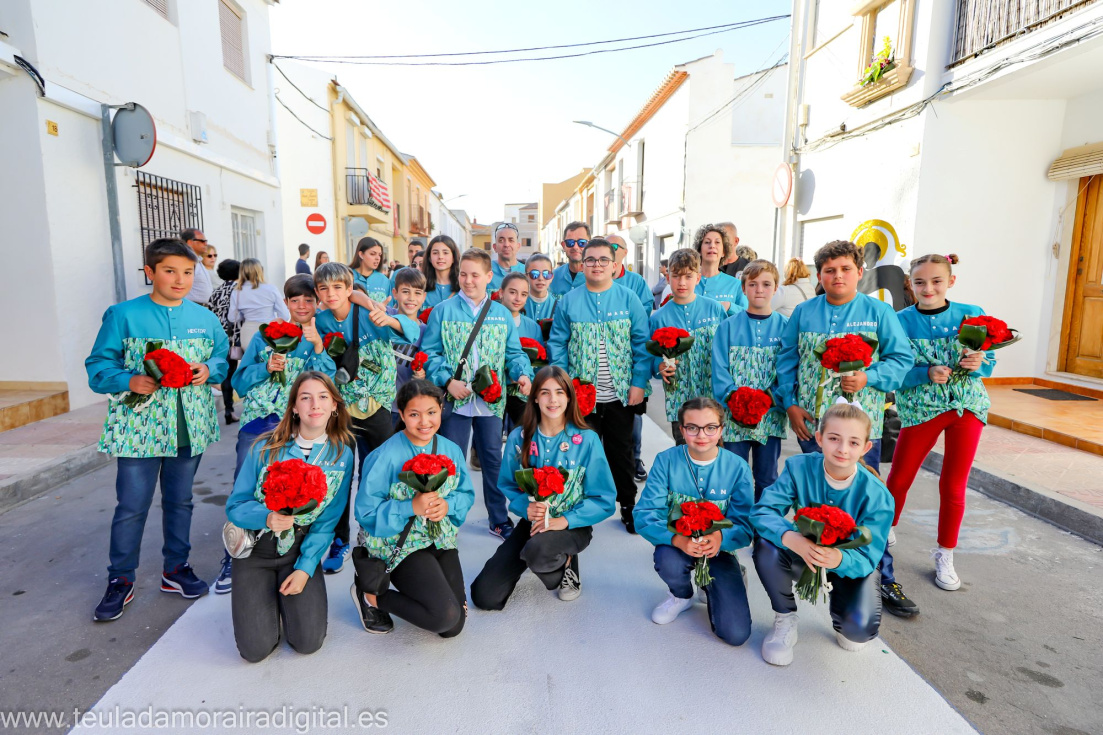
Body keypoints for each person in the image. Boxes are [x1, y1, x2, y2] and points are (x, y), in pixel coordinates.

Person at [86, 238, 228, 622]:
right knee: (132, 505)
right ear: (150, 272)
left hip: (189, 427)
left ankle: (175, 569)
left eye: (188, 272)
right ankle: (120, 578)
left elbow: (221, 358)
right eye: (170, 271)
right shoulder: (123, 315)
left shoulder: (205, 318)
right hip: (139, 430)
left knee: (180, 501)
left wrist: (209, 369)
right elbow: (98, 367)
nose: (180, 280)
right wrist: (128, 380)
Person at [776, 239, 914, 616]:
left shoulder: (878, 312)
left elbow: (901, 359)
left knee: (866, 502)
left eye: (845, 269)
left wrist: (869, 376)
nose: (838, 276)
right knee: (815, 499)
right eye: (829, 270)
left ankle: (882, 577)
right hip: (814, 427)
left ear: (859, 272)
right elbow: (786, 360)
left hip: (858, 433)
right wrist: (790, 404)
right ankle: (818, 569)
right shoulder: (804, 312)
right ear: (819, 276)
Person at [215, 275, 336, 594]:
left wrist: (318, 346)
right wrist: (265, 367)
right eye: (295, 300)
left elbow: (330, 382)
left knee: (297, 487)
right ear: (285, 303)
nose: (302, 306)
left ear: (317, 303)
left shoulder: (322, 336)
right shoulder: (265, 335)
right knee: (246, 484)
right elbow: (239, 383)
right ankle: (235, 550)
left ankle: (295, 553)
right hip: (259, 423)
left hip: (300, 426)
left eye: (308, 300)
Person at [882, 254, 993, 601]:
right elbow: (893, 370)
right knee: (900, 477)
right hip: (921, 409)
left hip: (966, 406)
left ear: (951, 282)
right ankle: (885, 528)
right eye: (919, 282)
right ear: (910, 284)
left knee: (954, 484)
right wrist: (924, 373)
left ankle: (946, 553)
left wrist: (979, 362)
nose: (928, 288)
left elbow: (990, 361)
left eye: (936, 281)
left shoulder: (970, 314)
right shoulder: (899, 321)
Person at [751, 403, 893, 666]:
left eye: (853, 442)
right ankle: (785, 617)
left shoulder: (878, 494)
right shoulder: (798, 467)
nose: (842, 449)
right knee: (766, 545)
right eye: (834, 438)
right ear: (819, 438)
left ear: (865, 448)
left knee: (858, 631)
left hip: (850, 564)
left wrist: (839, 559)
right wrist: (790, 537)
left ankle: (843, 608)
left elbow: (869, 555)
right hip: (805, 552)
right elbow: (763, 511)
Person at [226, 371, 354, 662]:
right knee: (254, 650)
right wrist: (266, 517)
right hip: (257, 549)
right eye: (305, 398)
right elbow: (235, 505)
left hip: (298, 550)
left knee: (308, 642)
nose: (315, 405)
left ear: (334, 405)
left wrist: (305, 568)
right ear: (294, 407)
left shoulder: (341, 455)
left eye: (323, 397)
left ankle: (286, 595)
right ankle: (261, 594)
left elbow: (328, 521)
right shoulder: (265, 446)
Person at [471, 366, 616, 609]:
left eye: (559, 392)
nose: (553, 400)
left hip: (573, 524)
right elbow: (507, 483)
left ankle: (567, 564)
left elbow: (604, 499)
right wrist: (525, 507)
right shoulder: (519, 438)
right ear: (535, 397)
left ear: (569, 397)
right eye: (545, 392)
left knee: (538, 551)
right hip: (534, 523)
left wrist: (566, 520)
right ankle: (542, 553)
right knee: (485, 596)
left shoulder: (586, 440)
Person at [313, 262, 421, 574]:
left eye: (338, 287)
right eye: (324, 288)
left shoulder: (370, 313)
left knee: (379, 472)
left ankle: (377, 532)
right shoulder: (321, 320)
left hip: (377, 407)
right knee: (339, 476)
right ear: (317, 292)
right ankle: (340, 540)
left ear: (349, 288)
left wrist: (390, 318)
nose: (331, 294)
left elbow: (412, 332)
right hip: (342, 410)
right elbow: (319, 363)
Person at [422, 249, 534, 541]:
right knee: (450, 461)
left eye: (475, 275)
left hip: (491, 404)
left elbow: (514, 353)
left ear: (488, 277)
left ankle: (498, 518)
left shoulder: (501, 314)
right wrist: (448, 381)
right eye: (463, 274)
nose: (468, 280)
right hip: (454, 403)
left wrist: (522, 374)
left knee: (493, 461)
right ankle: (445, 518)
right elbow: (430, 353)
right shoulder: (443, 311)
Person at [350, 379, 475, 636]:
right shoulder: (385, 456)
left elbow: (466, 494)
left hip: (440, 540)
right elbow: (366, 513)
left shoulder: (451, 450)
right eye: (414, 414)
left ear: (441, 409)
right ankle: (371, 597)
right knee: (444, 616)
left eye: (431, 412)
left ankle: (428, 591)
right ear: (402, 413)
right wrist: (410, 507)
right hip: (401, 545)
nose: (424, 422)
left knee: (453, 627)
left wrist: (447, 505)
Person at [548, 238, 650, 533]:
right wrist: (564, 387)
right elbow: (558, 344)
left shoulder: (628, 298)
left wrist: (638, 383)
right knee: (580, 455)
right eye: (590, 259)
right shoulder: (569, 301)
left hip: (620, 395)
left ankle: (628, 505)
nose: (596, 265)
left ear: (615, 265)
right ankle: (578, 509)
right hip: (581, 398)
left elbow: (641, 343)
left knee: (621, 453)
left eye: (603, 259)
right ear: (582, 265)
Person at [634, 398, 754, 646]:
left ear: (721, 429)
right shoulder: (666, 461)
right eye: (692, 428)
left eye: (710, 427)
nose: (701, 435)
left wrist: (721, 537)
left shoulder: (738, 467)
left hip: (719, 551)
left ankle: (721, 581)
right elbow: (645, 514)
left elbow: (745, 524)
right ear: (682, 429)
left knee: (736, 634)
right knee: (667, 558)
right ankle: (681, 595)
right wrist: (676, 539)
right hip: (678, 545)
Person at [712, 259, 789, 500]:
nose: (759, 290)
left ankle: (763, 521)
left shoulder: (786, 327)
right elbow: (719, 369)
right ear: (743, 288)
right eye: (753, 284)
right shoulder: (727, 327)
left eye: (766, 284)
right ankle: (737, 520)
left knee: (767, 476)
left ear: (775, 288)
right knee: (735, 475)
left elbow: (788, 369)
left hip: (771, 415)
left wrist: (770, 399)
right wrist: (735, 400)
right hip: (734, 416)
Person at [648, 248, 726, 445]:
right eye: (676, 276)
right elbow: (652, 358)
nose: (682, 282)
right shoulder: (659, 318)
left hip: (713, 396)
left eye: (688, 276)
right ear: (668, 278)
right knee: (684, 448)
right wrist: (659, 367)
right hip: (679, 400)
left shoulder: (714, 309)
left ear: (698, 278)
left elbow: (727, 349)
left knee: (716, 450)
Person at [607, 234, 655, 480]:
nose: (610, 249)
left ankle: (635, 459)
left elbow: (644, 312)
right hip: (602, 362)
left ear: (625, 252)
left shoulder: (636, 282)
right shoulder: (592, 278)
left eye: (615, 246)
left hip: (629, 359)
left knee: (633, 417)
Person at [498, 272, 543, 433]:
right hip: (495, 390)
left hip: (522, 393)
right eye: (512, 292)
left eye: (523, 294)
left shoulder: (532, 327)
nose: (518, 298)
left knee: (524, 433)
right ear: (501, 293)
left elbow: (540, 361)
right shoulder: (491, 321)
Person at [388, 267, 429, 429]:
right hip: (380, 404)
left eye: (417, 293)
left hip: (407, 405)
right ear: (395, 293)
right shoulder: (386, 319)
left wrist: (422, 375)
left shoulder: (426, 332)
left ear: (424, 297)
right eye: (405, 291)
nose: (411, 298)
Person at [206, 259, 242, 424]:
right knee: (240, 371)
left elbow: (209, 313)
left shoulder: (215, 292)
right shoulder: (239, 291)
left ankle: (229, 410)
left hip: (219, 337)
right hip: (236, 336)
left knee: (226, 373)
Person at [228, 258, 290, 352]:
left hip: (248, 332)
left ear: (241, 272)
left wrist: (245, 314)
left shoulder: (237, 291)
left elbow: (232, 318)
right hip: (269, 330)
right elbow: (285, 316)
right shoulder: (271, 289)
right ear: (260, 270)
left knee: (250, 359)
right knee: (270, 360)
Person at [692, 224, 747, 317]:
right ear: (699, 250)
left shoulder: (736, 285)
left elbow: (748, 315)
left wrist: (729, 307)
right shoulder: (688, 282)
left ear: (724, 252)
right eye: (707, 242)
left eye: (717, 242)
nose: (712, 246)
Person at [549, 221, 590, 297]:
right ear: (563, 245)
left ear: (589, 245)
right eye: (570, 242)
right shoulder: (552, 278)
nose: (575, 247)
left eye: (581, 242)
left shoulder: (597, 278)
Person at [422, 235, 460, 310]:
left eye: (445, 253)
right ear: (429, 258)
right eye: (435, 253)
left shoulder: (463, 287)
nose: (440, 257)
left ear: (453, 257)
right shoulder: (420, 286)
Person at [350, 237, 391, 302]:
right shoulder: (348, 276)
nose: (377, 258)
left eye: (379, 255)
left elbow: (390, 305)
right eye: (373, 254)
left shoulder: (384, 280)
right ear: (361, 254)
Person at [523, 252, 559, 323]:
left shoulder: (559, 306)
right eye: (534, 274)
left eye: (546, 274)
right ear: (526, 277)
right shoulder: (518, 304)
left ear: (552, 277)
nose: (540, 278)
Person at [490, 222, 527, 291]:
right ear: (494, 247)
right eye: (501, 240)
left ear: (518, 246)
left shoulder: (527, 271)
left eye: (511, 240)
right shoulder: (486, 271)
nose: (506, 245)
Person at [181, 228, 213, 304]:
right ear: (190, 242)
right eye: (202, 241)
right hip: (192, 305)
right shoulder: (187, 262)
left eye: (206, 241)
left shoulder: (198, 261)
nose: (206, 244)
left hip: (202, 307)